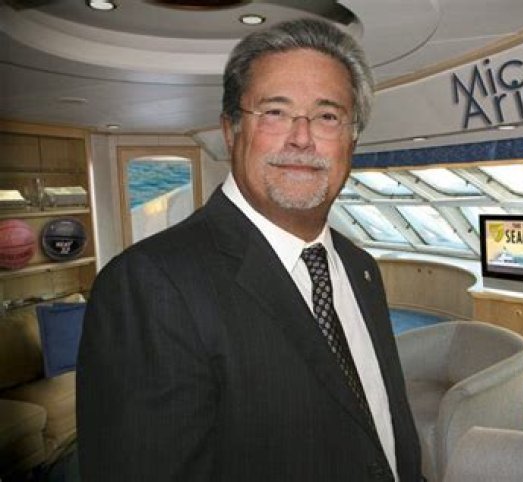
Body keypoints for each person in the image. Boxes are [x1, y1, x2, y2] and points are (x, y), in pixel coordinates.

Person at [77, 18, 423, 481]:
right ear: (231, 130)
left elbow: (379, 426)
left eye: (327, 116)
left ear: (351, 138)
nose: (302, 138)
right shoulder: (150, 285)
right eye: (275, 112)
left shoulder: (360, 267)